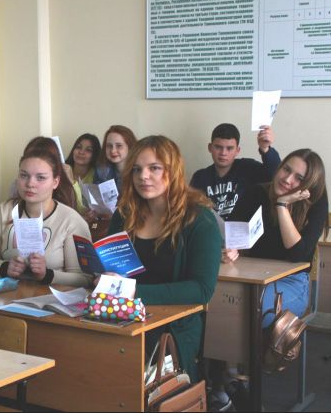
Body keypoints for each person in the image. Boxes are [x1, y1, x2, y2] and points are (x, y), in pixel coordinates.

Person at [211, 149, 328, 411]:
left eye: (299, 178)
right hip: (251, 275)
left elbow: (298, 255)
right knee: (216, 303)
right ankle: (226, 379)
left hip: (293, 282)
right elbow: (234, 236)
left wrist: (282, 205)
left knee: (246, 310)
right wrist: (230, 250)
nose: (287, 179)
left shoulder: (317, 202)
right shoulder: (256, 192)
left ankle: (233, 381)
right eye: (286, 169)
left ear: (308, 186)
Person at [107, 135, 222, 383]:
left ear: (173, 171)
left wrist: (134, 292)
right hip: (122, 316)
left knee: (127, 371)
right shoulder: (124, 214)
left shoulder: (199, 220)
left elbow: (201, 290)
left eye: (154, 168)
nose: (143, 176)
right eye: (137, 169)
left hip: (172, 328)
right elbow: (112, 269)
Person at [0, 147, 92, 287]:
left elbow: (84, 279)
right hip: (10, 295)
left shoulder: (72, 221)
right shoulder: (6, 209)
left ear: (55, 182)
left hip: (52, 297)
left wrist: (46, 275)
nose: (30, 184)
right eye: (24, 175)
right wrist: (5, 268)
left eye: (40, 178)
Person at [190, 123, 280, 220]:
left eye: (229, 148)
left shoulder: (248, 168)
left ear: (237, 150)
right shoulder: (200, 177)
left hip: (244, 228)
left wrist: (265, 149)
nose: (223, 153)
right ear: (210, 147)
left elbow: (276, 175)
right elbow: (190, 210)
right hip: (211, 228)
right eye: (218, 147)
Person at [65, 133, 101, 214]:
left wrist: (72, 182)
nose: (81, 152)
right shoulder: (62, 171)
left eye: (88, 150)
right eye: (78, 147)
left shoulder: (97, 176)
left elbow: (84, 209)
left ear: (94, 155)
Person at [93, 124, 137, 190]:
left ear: (130, 147)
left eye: (119, 146)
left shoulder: (138, 172)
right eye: (109, 146)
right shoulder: (101, 171)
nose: (113, 151)